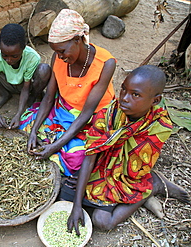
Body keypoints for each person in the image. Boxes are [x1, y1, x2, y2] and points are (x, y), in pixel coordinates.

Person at [63, 65, 190, 234]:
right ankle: (142, 191)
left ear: (155, 100)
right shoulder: (109, 114)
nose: (124, 98)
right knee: (65, 195)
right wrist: (77, 205)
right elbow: (91, 156)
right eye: (123, 90)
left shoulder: (158, 127)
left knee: (102, 222)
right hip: (102, 168)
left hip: (130, 176)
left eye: (135, 94)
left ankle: (154, 185)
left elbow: (136, 170)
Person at [19, 9, 116, 176]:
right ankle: (51, 141)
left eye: (62, 51)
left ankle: (57, 146)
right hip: (63, 108)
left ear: (78, 40)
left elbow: (86, 114)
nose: (60, 57)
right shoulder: (58, 58)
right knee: (26, 126)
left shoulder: (105, 64)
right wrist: (34, 130)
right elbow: (49, 98)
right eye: (56, 52)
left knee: (76, 158)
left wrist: (54, 147)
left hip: (92, 118)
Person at [0, 23, 51, 129]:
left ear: (23, 49)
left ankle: (32, 97)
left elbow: (25, 88)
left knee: (44, 70)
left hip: (25, 86)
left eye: (14, 56)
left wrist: (18, 114)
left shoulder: (32, 57)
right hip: (6, 83)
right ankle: (4, 93)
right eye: (4, 55)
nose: (9, 60)